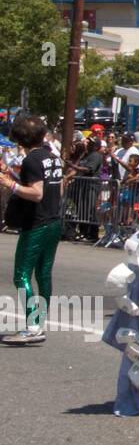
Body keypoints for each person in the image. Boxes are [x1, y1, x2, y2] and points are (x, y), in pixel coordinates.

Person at [1, 116, 64, 345]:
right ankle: (39, 323)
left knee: (21, 275)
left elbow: (36, 193)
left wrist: (10, 184)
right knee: (43, 273)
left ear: (20, 138)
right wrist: (12, 174)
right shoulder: (52, 158)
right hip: (54, 220)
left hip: (36, 223)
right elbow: (50, 187)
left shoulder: (31, 160)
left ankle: (33, 326)